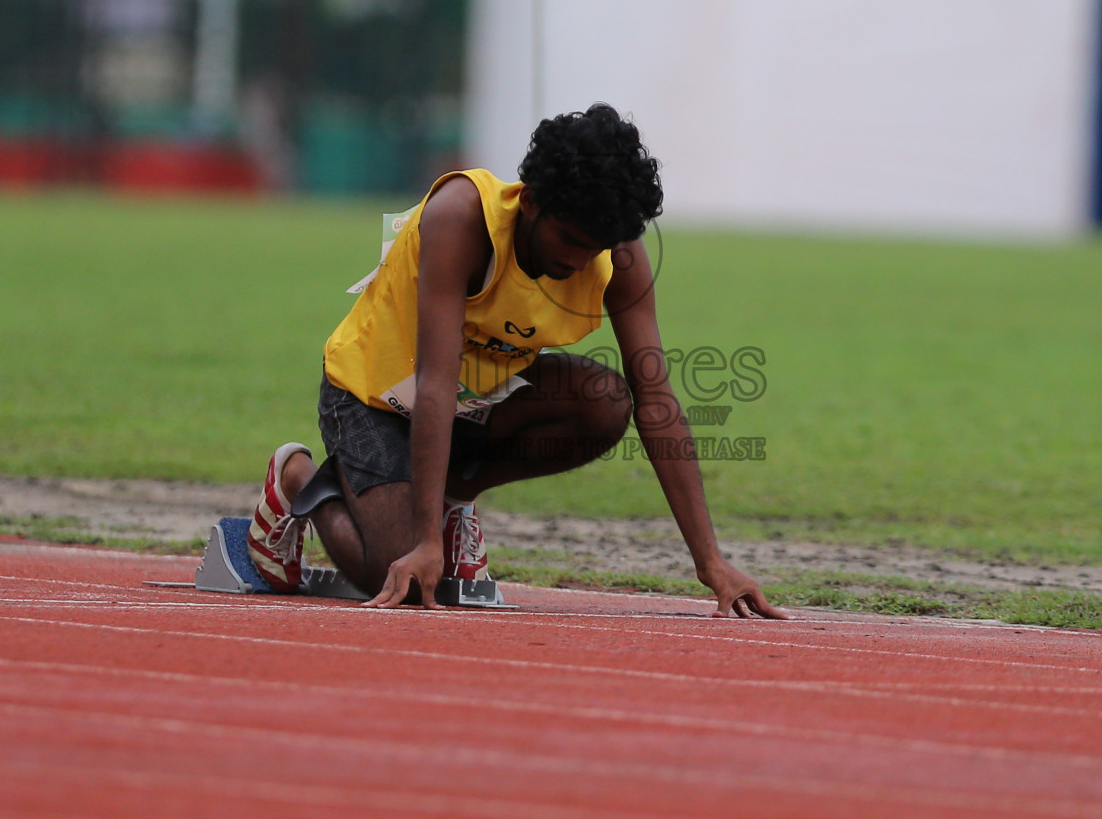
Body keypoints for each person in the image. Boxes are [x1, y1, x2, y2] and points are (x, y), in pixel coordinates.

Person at [248, 103, 787, 618]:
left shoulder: (615, 253)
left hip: (470, 400)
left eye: (593, 247)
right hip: (373, 395)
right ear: (530, 202)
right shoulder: (461, 217)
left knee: (606, 402)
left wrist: (711, 563)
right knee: (400, 575)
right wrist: (424, 543)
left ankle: (454, 497)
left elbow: (657, 400)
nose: (577, 260)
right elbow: (432, 382)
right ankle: (297, 479)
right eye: (569, 238)